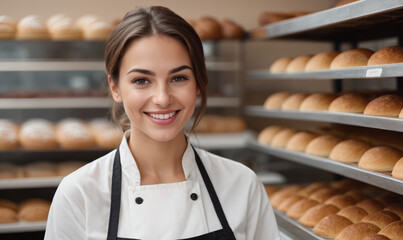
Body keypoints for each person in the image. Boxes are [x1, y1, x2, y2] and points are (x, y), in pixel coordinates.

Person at [45, 6, 280, 240]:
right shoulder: (79, 194)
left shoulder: (242, 185)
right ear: (115, 88)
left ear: (198, 84)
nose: (162, 98)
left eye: (178, 78)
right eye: (141, 80)